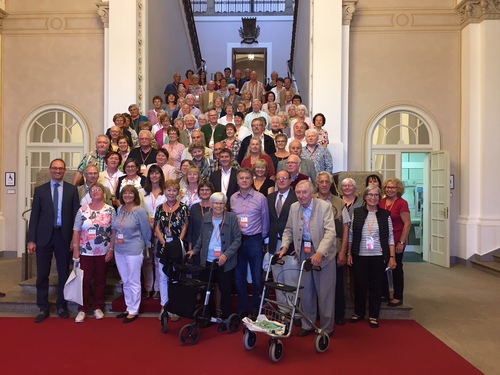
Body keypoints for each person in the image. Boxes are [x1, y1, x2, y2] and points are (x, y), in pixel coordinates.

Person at [278, 180, 337, 337]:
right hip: (303, 252)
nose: (301, 195)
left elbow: (331, 232)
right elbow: (288, 230)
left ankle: (326, 328)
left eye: (304, 192)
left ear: (312, 193)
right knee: (306, 291)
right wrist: (284, 246)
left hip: (323, 254)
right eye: (298, 192)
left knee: (325, 293)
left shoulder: (324, 207)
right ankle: (308, 324)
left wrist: (320, 253)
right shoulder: (294, 207)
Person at [28, 159, 80, 323]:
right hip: (43, 237)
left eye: (61, 169)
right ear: (50, 170)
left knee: (64, 272)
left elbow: (75, 217)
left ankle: (61, 305)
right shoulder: (40, 191)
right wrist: (31, 240)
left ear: (65, 171)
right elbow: (34, 217)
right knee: (42, 273)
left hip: (63, 237)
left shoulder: (72, 190)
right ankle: (43, 307)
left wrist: (74, 239)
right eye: (55, 168)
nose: (58, 171)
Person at [188, 192, 242, 331]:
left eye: (221, 203)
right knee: (208, 290)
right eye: (216, 203)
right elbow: (201, 237)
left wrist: (226, 255)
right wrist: (194, 250)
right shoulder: (206, 216)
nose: (219, 206)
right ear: (211, 204)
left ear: (225, 205)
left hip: (225, 261)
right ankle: (209, 316)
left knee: (225, 290)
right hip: (207, 259)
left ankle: (225, 318)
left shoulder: (231, 218)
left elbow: (237, 240)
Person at [348, 185, 397, 328]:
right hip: (360, 255)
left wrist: (392, 256)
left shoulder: (385, 215)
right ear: (365, 196)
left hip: (378, 255)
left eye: (376, 195)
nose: (373, 197)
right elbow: (351, 234)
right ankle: (359, 312)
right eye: (370, 194)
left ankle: (374, 315)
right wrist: (349, 253)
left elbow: (390, 237)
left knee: (376, 287)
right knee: (360, 285)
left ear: (379, 198)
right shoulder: (357, 212)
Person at [71, 182, 116, 323]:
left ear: (103, 193)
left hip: (103, 251)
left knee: (101, 280)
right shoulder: (82, 210)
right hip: (85, 251)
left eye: (98, 190)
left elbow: (114, 231)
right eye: (92, 190)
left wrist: (111, 249)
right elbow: (76, 230)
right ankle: (82, 309)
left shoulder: (110, 210)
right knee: (84, 281)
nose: (95, 192)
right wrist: (76, 249)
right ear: (89, 194)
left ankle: (98, 307)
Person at [230, 168, 269, 319]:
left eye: (247, 178)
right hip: (238, 241)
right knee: (239, 277)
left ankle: (255, 308)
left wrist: (262, 239)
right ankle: (242, 308)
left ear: (252, 180)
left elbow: (265, 221)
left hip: (254, 240)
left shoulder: (260, 198)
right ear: (238, 181)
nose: (244, 180)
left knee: (257, 277)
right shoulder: (233, 198)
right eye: (242, 178)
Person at [111, 185, 152, 323]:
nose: (127, 195)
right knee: (125, 280)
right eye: (125, 193)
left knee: (134, 280)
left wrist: (148, 247)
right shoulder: (120, 209)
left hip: (134, 249)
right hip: (119, 249)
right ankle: (128, 307)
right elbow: (115, 229)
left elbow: (146, 231)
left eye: (130, 193)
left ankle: (134, 310)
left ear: (135, 195)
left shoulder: (139, 211)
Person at [316, 172, 351, 326]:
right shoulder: (311, 200)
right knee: (315, 283)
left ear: (331, 184)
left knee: (337, 284)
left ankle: (339, 313)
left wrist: (343, 252)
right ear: (317, 184)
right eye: (321, 182)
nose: (324, 184)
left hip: (334, 249)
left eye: (327, 182)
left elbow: (345, 228)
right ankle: (317, 313)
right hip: (316, 249)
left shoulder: (339, 203)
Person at [154, 179, 189, 321]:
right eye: (169, 190)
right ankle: (164, 306)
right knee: (163, 277)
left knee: (176, 278)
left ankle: (175, 308)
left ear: (178, 193)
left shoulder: (184, 208)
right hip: (163, 247)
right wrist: (164, 243)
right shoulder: (159, 208)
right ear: (165, 191)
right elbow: (156, 227)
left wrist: (177, 243)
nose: (171, 193)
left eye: (174, 190)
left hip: (177, 246)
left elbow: (185, 226)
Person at [267, 170, 299, 317]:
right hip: (274, 243)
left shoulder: (296, 197)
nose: (281, 181)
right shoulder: (271, 197)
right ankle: (282, 310)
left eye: (284, 178)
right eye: (278, 178)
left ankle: (294, 312)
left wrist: (297, 245)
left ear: (290, 180)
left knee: (291, 280)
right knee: (278, 279)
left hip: (291, 245)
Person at [380, 178, 411, 307]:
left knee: (396, 268)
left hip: (398, 240)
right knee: (382, 267)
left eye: (393, 187)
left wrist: (401, 242)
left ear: (398, 189)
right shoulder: (381, 202)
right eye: (388, 187)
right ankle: (384, 294)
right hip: (383, 241)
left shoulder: (402, 203)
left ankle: (398, 296)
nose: (390, 190)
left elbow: (408, 224)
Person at [142, 165, 166, 300]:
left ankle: (157, 288)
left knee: (158, 260)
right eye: (152, 173)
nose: (154, 176)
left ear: (161, 175)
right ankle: (148, 287)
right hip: (146, 229)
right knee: (147, 259)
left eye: (157, 173)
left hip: (161, 230)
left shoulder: (165, 192)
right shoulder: (143, 192)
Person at [187, 181, 215, 257]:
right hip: (196, 244)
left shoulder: (216, 208)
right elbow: (190, 228)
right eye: (202, 190)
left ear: (212, 192)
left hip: (212, 243)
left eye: (207, 190)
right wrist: (190, 246)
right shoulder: (194, 207)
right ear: (198, 192)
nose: (204, 192)